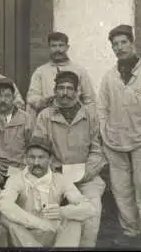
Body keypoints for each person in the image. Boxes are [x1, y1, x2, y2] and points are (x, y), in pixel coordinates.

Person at [97, 24, 141, 247]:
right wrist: (104, 133)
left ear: (132, 44)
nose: (119, 47)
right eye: (115, 44)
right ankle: (130, 232)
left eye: (123, 42)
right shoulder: (109, 78)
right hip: (115, 141)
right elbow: (101, 108)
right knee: (121, 190)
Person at [32, 70, 107, 247]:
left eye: (69, 88)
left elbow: (98, 151)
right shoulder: (45, 116)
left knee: (92, 212)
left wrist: (87, 173)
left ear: (77, 91)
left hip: (86, 178)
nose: (65, 93)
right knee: (47, 214)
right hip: (55, 176)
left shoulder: (90, 115)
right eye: (61, 88)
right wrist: (54, 171)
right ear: (55, 90)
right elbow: (39, 150)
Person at [0, 136, 98, 247]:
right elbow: (4, 205)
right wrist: (39, 223)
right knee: (5, 219)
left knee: (74, 221)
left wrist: (63, 212)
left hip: (52, 235)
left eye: (41, 157)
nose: (36, 162)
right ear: (25, 159)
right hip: (24, 237)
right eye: (32, 157)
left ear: (50, 160)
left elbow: (89, 209)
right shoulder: (16, 179)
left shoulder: (60, 179)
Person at [26, 32, 96, 128]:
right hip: (49, 121)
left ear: (67, 47)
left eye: (61, 45)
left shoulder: (79, 70)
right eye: (53, 46)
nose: (57, 49)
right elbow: (31, 97)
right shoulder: (40, 72)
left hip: (75, 123)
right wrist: (46, 101)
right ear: (49, 48)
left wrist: (90, 124)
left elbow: (90, 100)